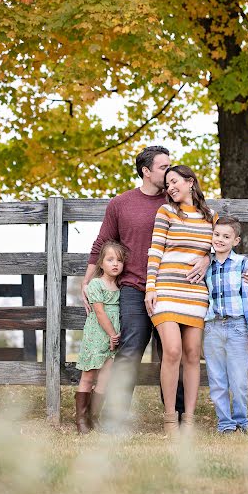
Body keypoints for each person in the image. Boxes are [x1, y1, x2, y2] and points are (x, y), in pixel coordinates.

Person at [81, 146, 207, 431]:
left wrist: (207, 257)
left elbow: (204, 234)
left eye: (171, 167)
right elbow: (102, 242)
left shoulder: (176, 200)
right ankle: (115, 417)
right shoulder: (121, 203)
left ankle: (174, 415)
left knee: (172, 352)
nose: (169, 172)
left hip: (173, 291)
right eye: (163, 168)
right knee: (129, 350)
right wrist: (87, 280)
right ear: (146, 171)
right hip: (134, 288)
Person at [145, 166, 219, 435]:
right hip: (165, 290)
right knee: (172, 350)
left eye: (175, 181)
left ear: (190, 182)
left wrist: (207, 258)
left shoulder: (211, 217)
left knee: (191, 356)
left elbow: (221, 251)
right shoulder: (166, 212)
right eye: (167, 184)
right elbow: (156, 250)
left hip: (196, 295)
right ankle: (169, 421)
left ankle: (188, 421)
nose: (171, 187)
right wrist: (150, 288)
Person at [203, 216, 248, 434]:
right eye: (217, 235)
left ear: (236, 241)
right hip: (212, 328)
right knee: (217, 380)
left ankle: (241, 421)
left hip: (237, 327)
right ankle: (225, 424)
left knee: (239, 380)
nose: (220, 239)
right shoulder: (207, 263)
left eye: (226, 236)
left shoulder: (242, 263)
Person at [75, 240, 127, 433]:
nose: (115, 264)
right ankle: (81, 419)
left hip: (113, 338)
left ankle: (94, 416)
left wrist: (115, 336)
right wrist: (113, 334)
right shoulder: (96, 284)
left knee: (105, 377)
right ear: (101, 263)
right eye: (110, 259)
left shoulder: (121, 287)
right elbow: (100, 313)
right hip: (98, 334)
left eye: (119, 261)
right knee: (88, 376)